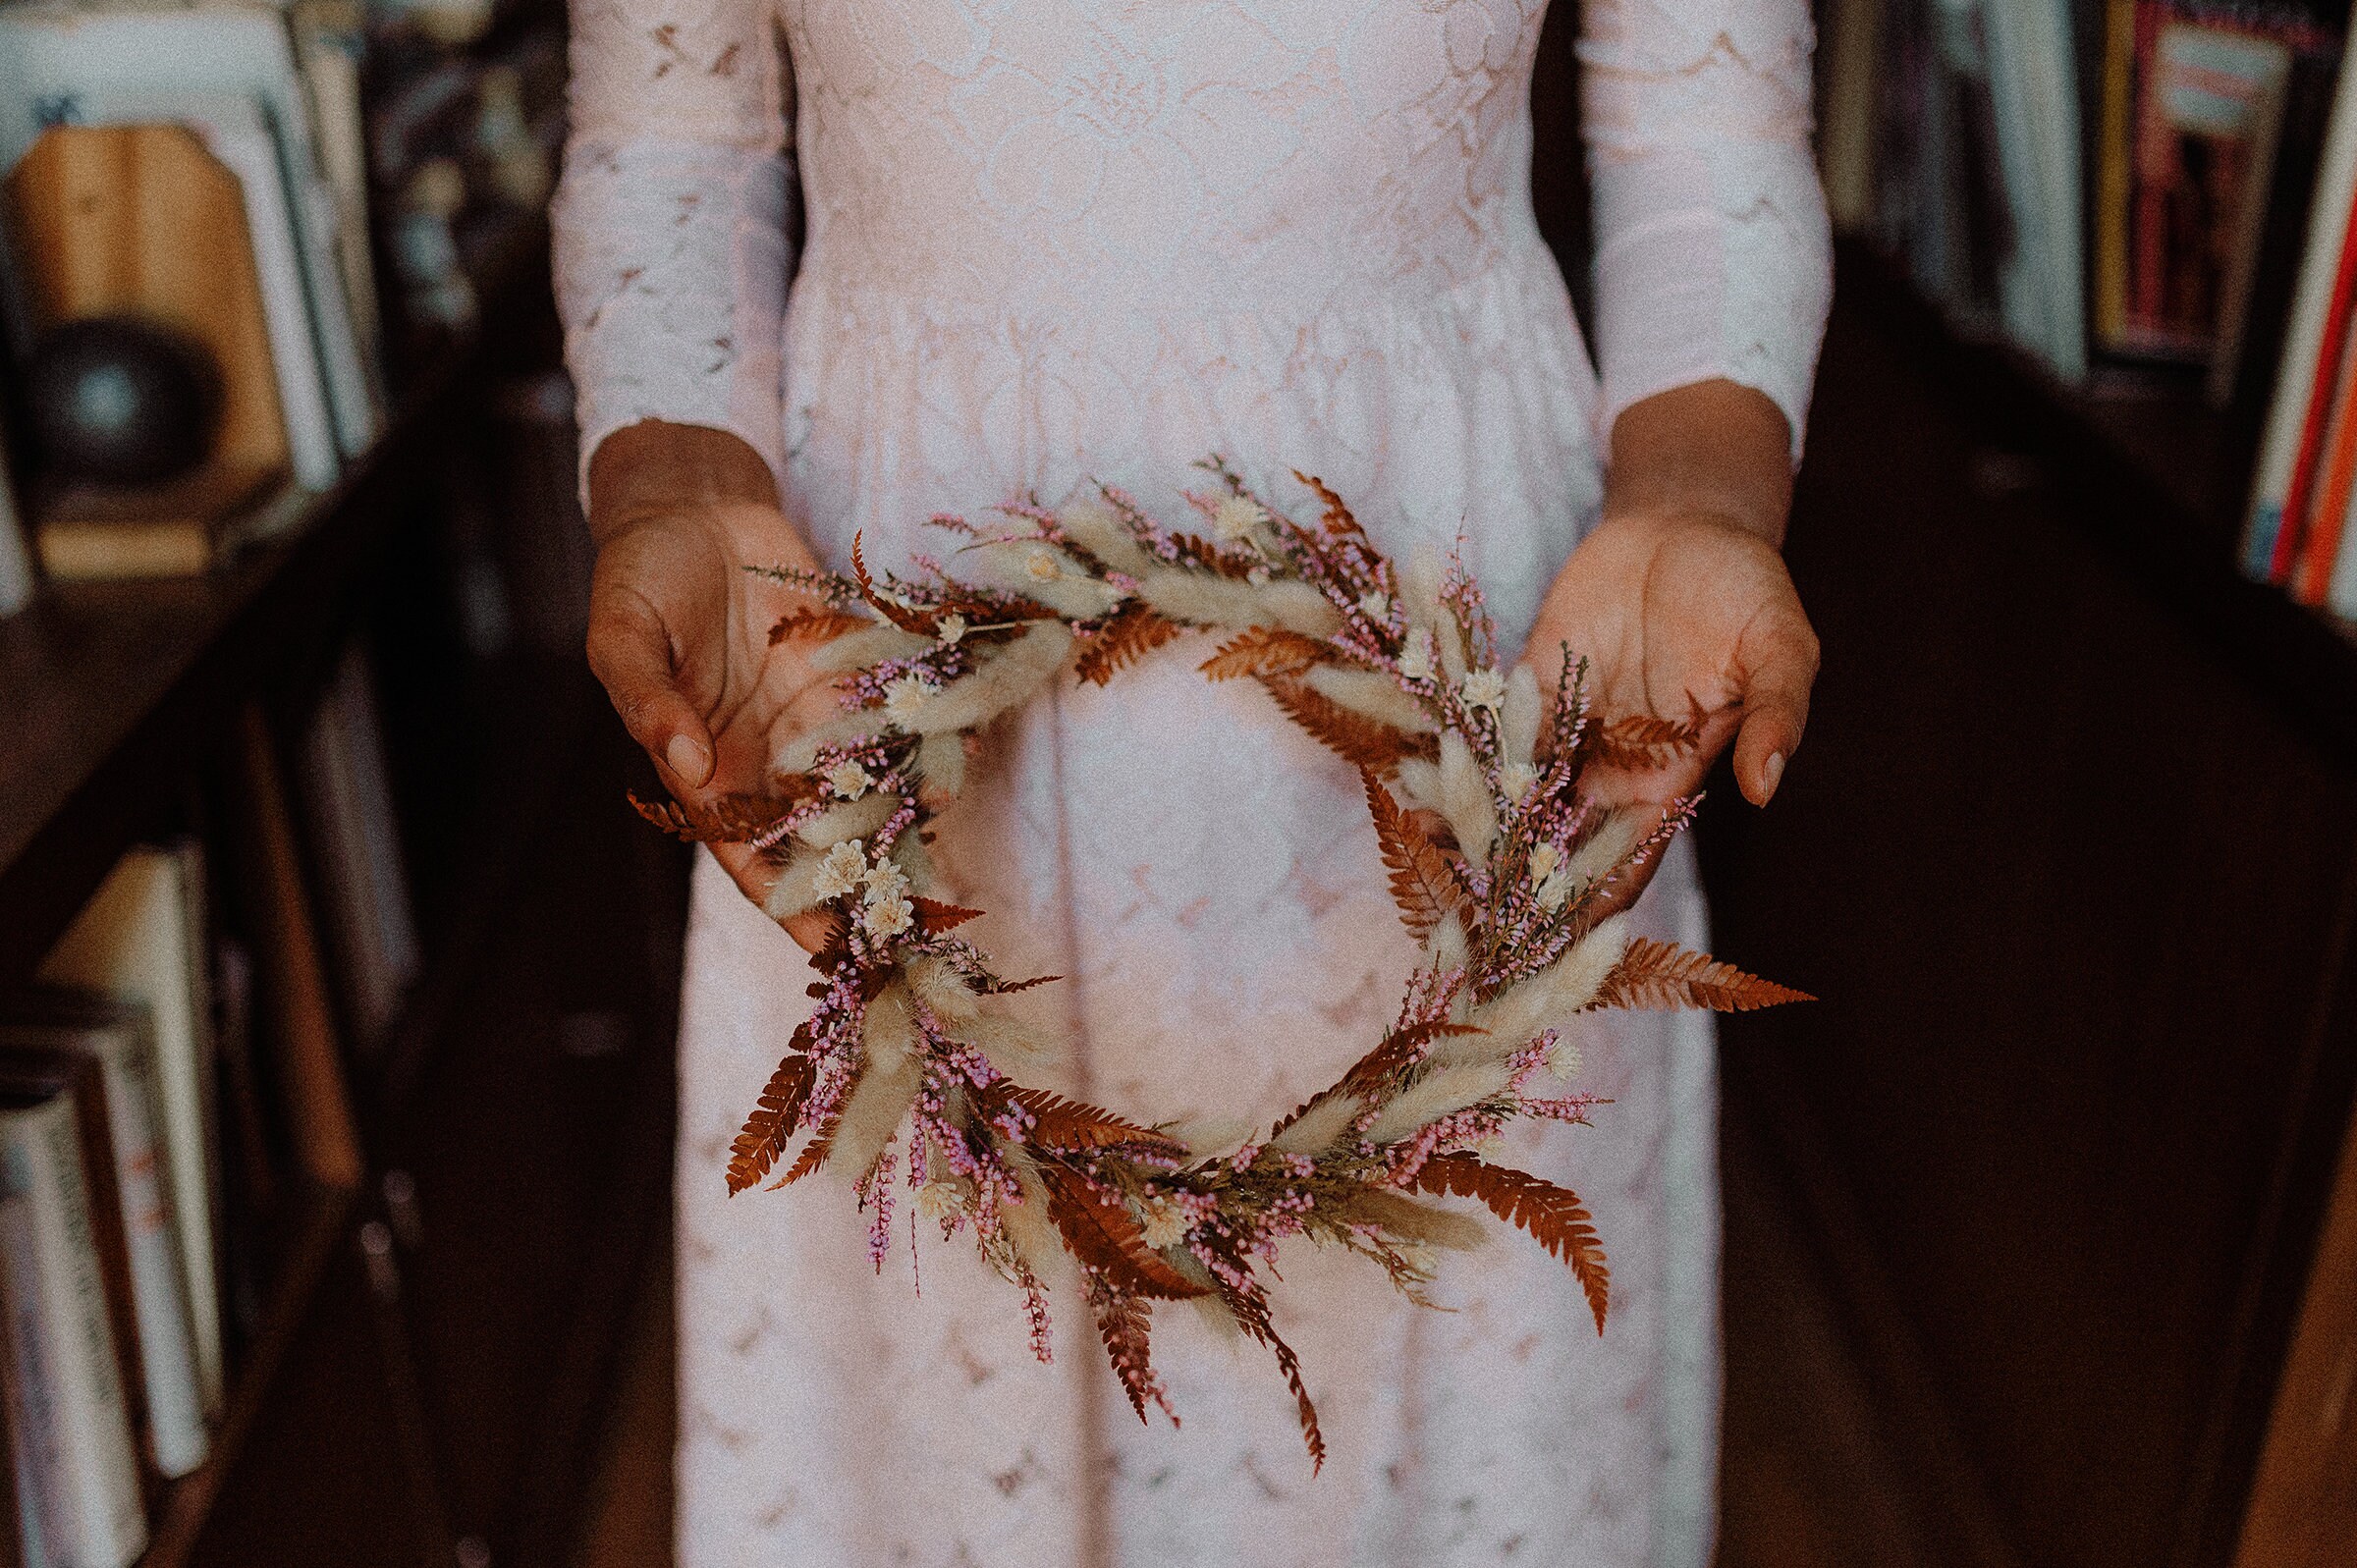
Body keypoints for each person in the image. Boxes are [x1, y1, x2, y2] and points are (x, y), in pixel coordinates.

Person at [553, 0, 1828, 1562]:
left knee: (1450, 1364)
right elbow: (670, 143)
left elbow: (1705, 124)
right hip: (857, 656)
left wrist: (1698, 492)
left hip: (1482, 633)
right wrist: (680, 475)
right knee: (961, 1379)